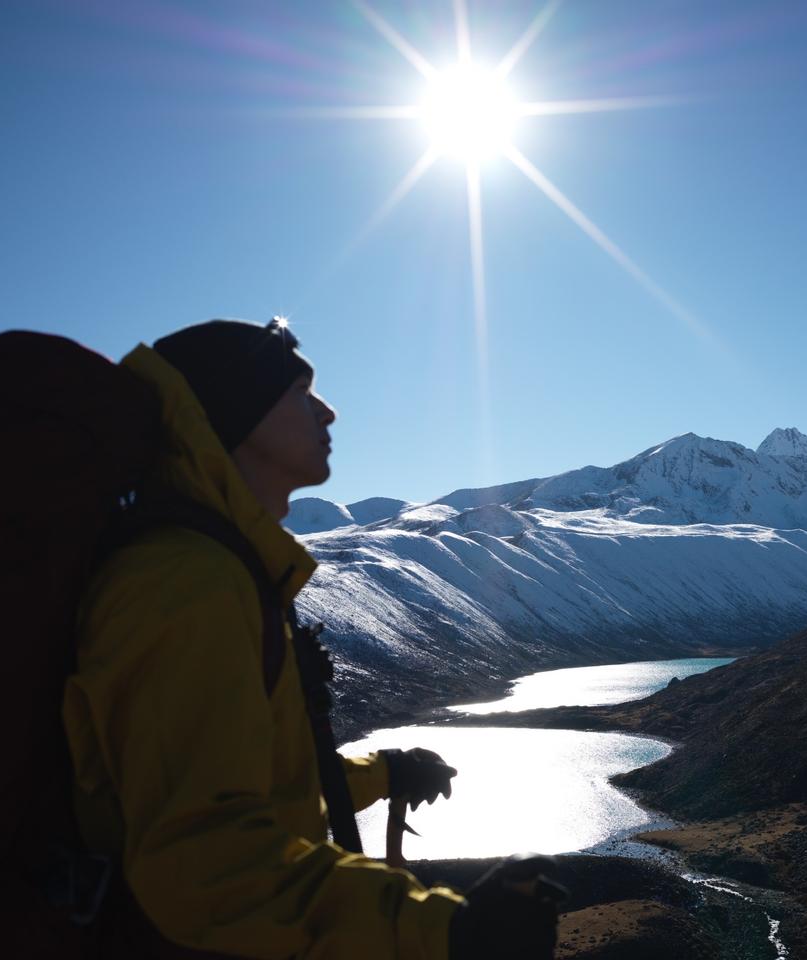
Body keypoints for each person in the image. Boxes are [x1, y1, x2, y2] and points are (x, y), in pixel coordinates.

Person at [60, 319, 560, 958]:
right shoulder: (187, 583)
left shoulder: (225, 569)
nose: (328, 410)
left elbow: (260, 789)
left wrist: (382, 772)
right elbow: (208, 864)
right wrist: (443, 931)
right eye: (301, 390)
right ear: (240, 411)